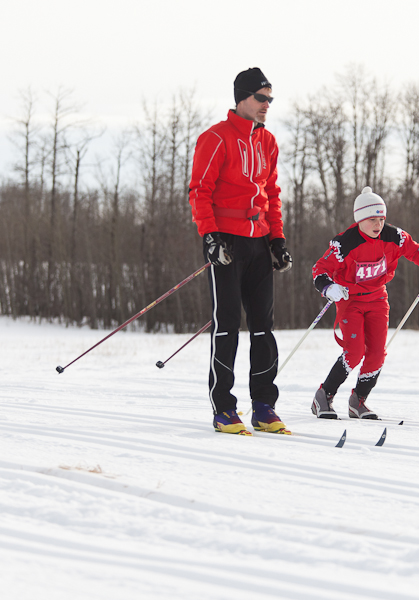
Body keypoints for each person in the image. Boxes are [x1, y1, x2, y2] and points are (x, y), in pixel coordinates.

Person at [188, 67, 294, 435]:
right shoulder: (215, 138)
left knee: (264, 327)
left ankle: (264, 407)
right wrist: (210, 236)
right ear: (242, 98)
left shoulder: (268, 142)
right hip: (227, 244)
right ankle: (224, 408)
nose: (267, 105)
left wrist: (277, 239)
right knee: (228, 324)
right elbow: (200, 191)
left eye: (270, 99)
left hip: (259, 242)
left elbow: (273, 194)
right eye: (261, 98)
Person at [310, 186, 419, 420]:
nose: (378, 225)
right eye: (372, 219)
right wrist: (328, 287)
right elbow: (320, 270)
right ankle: (324, 396)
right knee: (354, 351)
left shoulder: (393, 236)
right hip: (350, 300)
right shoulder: (344, 244)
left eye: (381, 219)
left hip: (378, 299)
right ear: (360, 219)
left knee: (376, 354)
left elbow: (416, 250)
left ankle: (358, 402)